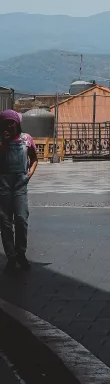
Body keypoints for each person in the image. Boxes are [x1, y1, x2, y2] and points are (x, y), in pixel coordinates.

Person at [0, 109, 37, 273]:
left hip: (20, 184)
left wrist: (29, 173)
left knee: (21, 218)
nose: (9, 124)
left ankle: (21, 252)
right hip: (3, 184)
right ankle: (11, 256)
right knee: (5, 222)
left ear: (17, 123)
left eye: (11, 121)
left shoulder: (26, 139)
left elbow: (34, 158)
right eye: (5, 122)